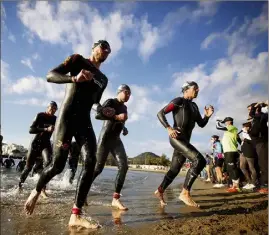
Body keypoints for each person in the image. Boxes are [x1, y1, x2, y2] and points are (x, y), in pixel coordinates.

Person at [24, 40, 112, 229]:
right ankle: (36, 190)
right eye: (102, 46)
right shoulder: (77, 60)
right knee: (57, 165)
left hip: (84, 121)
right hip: (66, 117)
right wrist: (73, 78)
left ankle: (75, 214)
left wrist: (103, 110)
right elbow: (50, 75)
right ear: (93, 47)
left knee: (90, 161)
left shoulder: (103, 79)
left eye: (108, 50)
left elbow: (95, 103)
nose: (105, 50)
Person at [154, 81, 214, 207]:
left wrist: (207, 116)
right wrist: (169, 128)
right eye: (195, 88)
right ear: (186, 89)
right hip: (177, 138)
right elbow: (160, 113)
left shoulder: (194, 107)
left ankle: (160, 190)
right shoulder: (178, 101)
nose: (197, 90)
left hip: (185, 141)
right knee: (199, 160)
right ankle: (185, 193)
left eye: (198, 88)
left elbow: (201, 124)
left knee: (175, 169)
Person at [86, 84, 131, 210]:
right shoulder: (111, 101)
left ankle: (115, 199)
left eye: (130, 94)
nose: (128, 95)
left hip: (116, 140)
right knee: (97, 169)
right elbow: (98, 115)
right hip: (105, 139)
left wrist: (124, 128)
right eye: (126, 92)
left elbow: (121, 121)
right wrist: (116, 116)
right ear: (120, 91)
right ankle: (83, 193)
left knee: (124, 167)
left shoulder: (125, 107)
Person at [19, 101, 57, 194]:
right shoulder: (40, 115)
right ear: (47, 107)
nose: (52, 111)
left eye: (55, 109)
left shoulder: (55, 119)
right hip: (35, 143)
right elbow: (31, 130)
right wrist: (45, 129)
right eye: (51, 108)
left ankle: (42, 189)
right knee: (28, 167)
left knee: (48, 163)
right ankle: (19, 186)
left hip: (46, 143)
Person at [216, 117, 241, 192]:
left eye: (226, 122)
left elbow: (218, 127)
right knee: (230, 168)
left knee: (232, 168)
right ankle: (234, 185)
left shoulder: (232, 127)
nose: (225, 123)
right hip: (227, 151)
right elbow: (238, 139)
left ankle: (236, 186)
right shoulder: (229, 130)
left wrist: (218, 122)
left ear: (229, 122)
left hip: (231, 150)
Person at [248, 102, 268, 194]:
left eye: (251, 108)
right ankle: (263, 183)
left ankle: (266, 185)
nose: (249, 111)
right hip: (258, 142)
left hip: (262, 141)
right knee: (261, 163)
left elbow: (252, 115)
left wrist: (258, 106)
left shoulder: (261, 115)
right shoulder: (257, 117)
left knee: (264, 163)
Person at [239, 122, 257, 190]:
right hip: (243, 152)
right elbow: (242, 143)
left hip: (249, 152)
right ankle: (249, 181)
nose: (243, 128)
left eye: (244, 127)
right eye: (242, 127)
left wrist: (246, 137)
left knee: (251, 167)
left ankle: (253, 183)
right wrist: (238, 138)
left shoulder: (251, 133)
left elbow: (253, 141)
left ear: (248, 127)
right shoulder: (244, 134)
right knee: (242, 167)